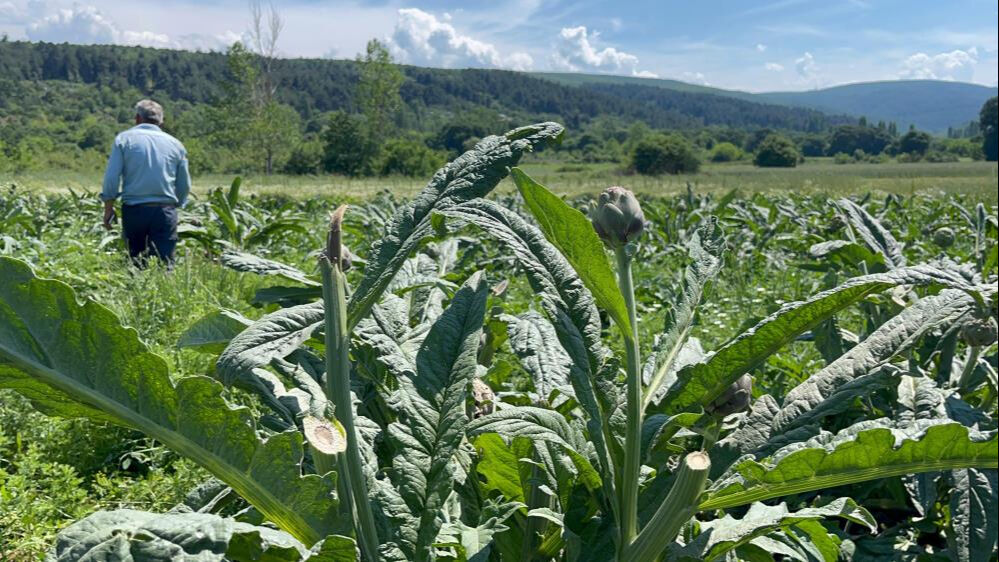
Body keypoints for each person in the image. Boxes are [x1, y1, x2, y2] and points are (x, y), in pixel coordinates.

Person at [101, 99, 191, 267]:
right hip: (164, 211)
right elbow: (184, 184)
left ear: (137, 118)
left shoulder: (124, 139)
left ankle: (135, 292)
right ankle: (165, 293)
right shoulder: (176, 144)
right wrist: (176, 205)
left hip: (134, 210)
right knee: (165, 265)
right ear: (161, 122)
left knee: (135, 263)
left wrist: (108, 207)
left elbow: (112, 177)